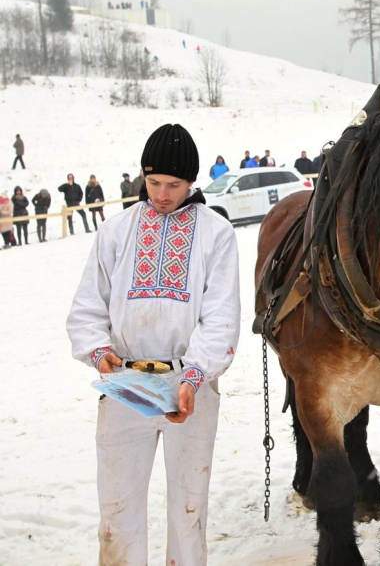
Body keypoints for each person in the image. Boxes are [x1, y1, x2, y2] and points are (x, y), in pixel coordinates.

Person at [67, 123, 241, 565]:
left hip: (189, 385)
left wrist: (197, 375)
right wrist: (99, 353)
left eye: (174, 184)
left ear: (191, 182)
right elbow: (88, 306)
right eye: (154, 182)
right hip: (124, 383)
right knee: (117, 510)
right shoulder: (115, 230)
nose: (162, 194)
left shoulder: (215, 234)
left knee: (188, 509)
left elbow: (220, 317)